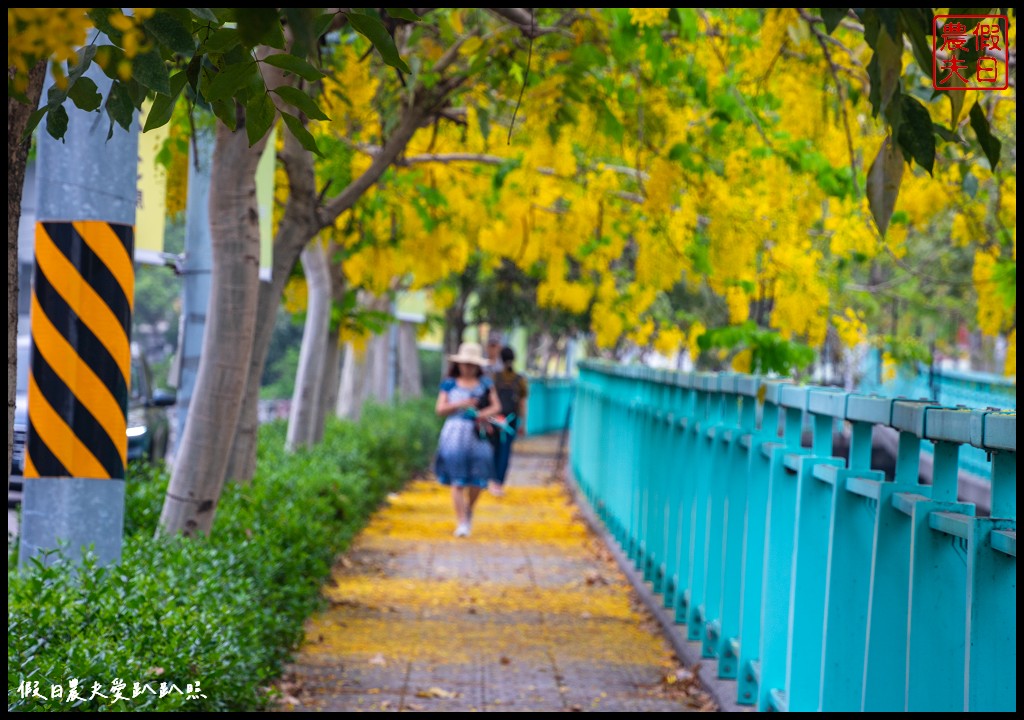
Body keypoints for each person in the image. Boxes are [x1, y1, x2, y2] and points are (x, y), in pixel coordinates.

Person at [434, 341, 502, 537]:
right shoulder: (449, 384)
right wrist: (462, 403)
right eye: (465, 364)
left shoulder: (486, 384)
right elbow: (440, 409)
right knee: (457, 479)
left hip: (478, 433)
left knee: (478, 477)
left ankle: (468, 509)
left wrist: (482, 413)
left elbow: (496, 406)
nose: (468, 368)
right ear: (458, 364)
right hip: (455, 433)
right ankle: (462, 521)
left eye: (472, 364)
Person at [488, 346, 529, 497]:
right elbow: (523, 403)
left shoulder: (494, 377)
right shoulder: (520, 380)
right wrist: (523, 424)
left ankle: (492, 480)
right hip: (511, 421)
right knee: (505, 450)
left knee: (494, 449)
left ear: (501, 358)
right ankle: (498, 483)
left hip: (494, 419)